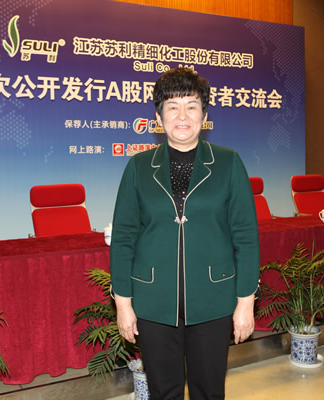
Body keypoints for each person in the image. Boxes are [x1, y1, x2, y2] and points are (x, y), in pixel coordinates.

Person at [110, 67, 260, 400]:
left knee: (209, 391)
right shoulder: (138, 167)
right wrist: (123, 303)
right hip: (153, 302)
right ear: (158, 116)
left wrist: (245, 303)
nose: (182, 115)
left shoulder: (228, 163)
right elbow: (123, 239)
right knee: (163, 392)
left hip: (213, 300)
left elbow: (246, 237)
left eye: (191, 106)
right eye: (172, 106)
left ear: (204, 115)